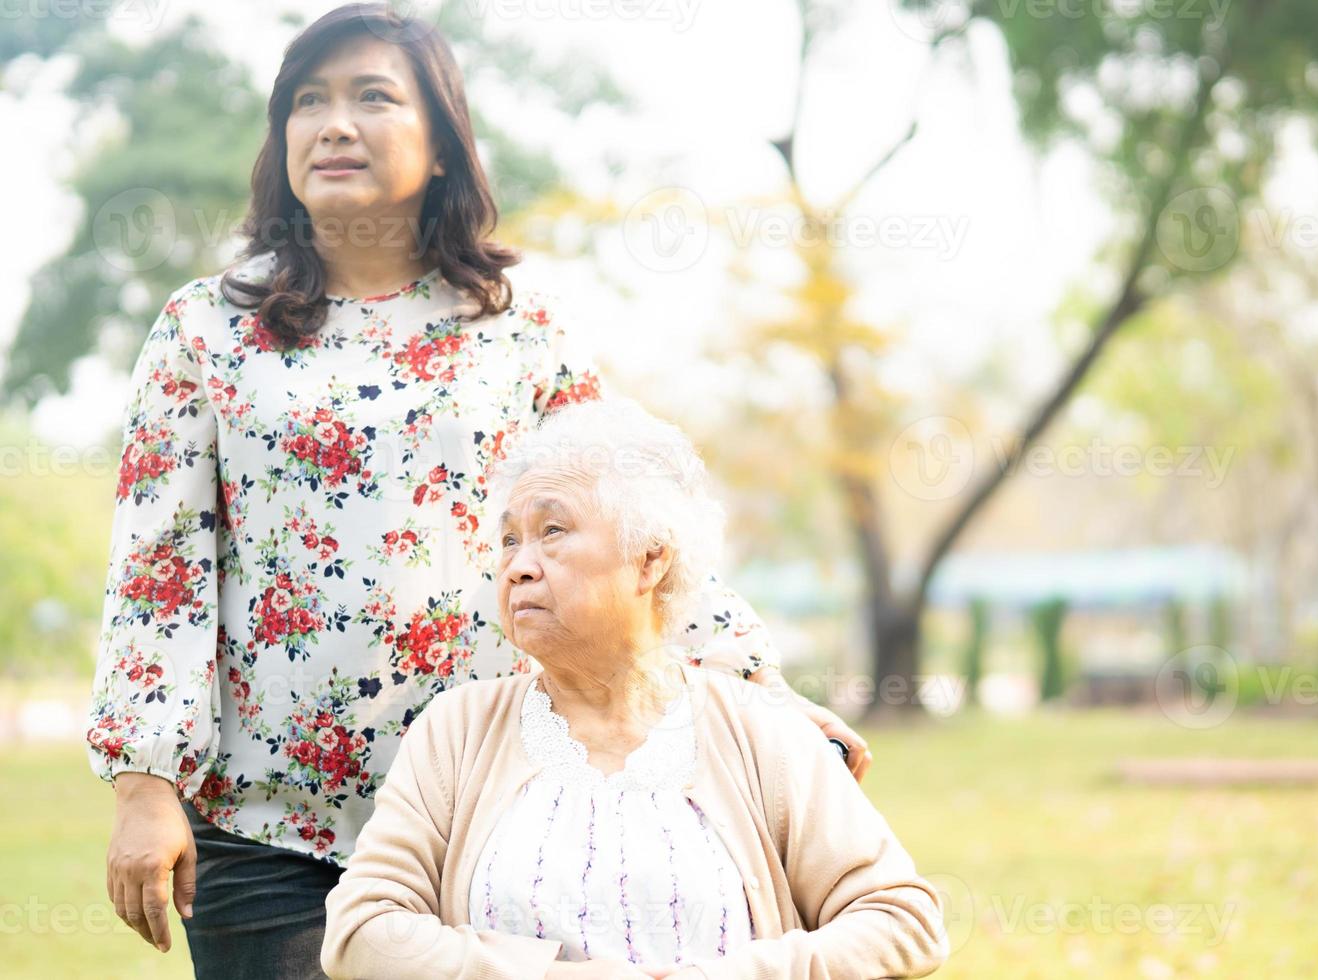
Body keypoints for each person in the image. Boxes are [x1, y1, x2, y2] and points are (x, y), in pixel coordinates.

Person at [86, 6, 868, 978]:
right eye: (307, 101)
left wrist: (763, 688)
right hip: (265, 827)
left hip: (486, 803)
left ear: (444, 146)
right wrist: (144, 782)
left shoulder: (519, 324)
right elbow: (162, 571)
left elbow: (629, 522)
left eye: (374, 96)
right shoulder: (205, 329)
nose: (333, 123)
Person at [320, 398, 948, 979]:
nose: (518, 565)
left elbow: (901, 920)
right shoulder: (457, 728)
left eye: (553, 532)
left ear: (650, 560)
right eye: (509, 540)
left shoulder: (760, 728)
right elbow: (363, 931)